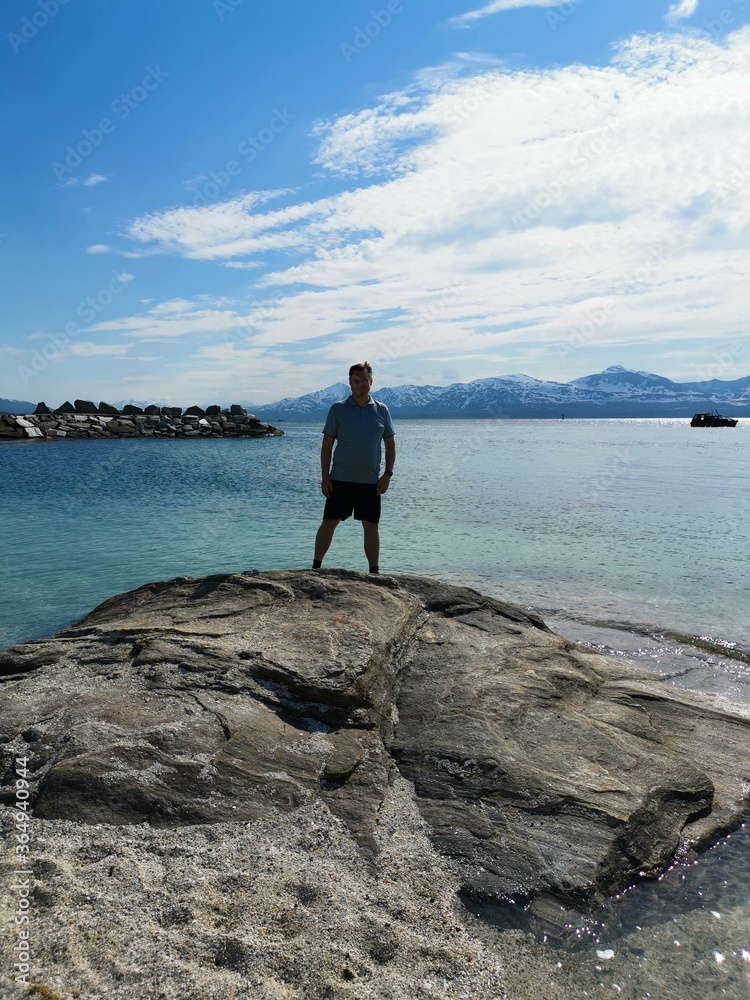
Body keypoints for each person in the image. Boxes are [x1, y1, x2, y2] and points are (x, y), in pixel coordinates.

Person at [312, 362, 396, 574]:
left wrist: (387, 474)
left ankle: (374, 572)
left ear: (371, 381)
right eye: (356, 381)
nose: (360, 385)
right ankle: (315, 568)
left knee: (371, 526)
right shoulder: (338, 410)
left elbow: (390, 445)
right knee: (329, 522)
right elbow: (327, 446)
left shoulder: (382, 410)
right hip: (340, 480)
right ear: (350, 383)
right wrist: (325, 477)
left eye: (364, 380)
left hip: (370, 482)